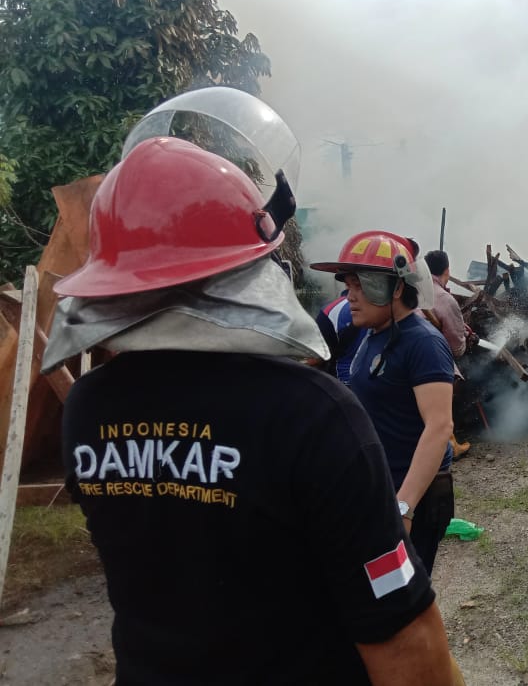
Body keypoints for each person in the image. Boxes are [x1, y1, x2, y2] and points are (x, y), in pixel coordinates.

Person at [44, 137, 457, 685]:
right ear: (253, 269)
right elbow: (409, 653)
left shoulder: (88, 408)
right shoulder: (310, 415)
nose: (352, 292)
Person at [311, 231, 457, 574]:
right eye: (348, 285)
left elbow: (439, 427)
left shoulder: (422, 343)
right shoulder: (374, 336)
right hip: (380, 490)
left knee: (401, 598)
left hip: (411, 499)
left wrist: (404, 508)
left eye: (362, 285)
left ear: (396, 287)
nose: (351, 297)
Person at [424, 249, 473, 458]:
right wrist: (466, 341)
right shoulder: (445, 299)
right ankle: (449, 446)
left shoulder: (412, 291)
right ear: (447, 270)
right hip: (432, 359)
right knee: (441, 406)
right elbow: (456, 348)